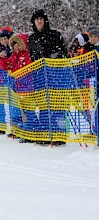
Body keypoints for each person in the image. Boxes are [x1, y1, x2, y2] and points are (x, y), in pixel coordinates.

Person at [28, 9, 68, 145]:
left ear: (45, 20)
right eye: (36, 19)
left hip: (55, 74)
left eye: (41, 18)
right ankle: (45, 133)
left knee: (57, 104)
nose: (39, 21)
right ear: (34, 22)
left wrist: (53, 59)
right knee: (43, 104)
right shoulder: (31, 38)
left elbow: (63, 53)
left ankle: (59, 134)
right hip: (39, 75)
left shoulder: (55, 35)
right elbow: (32, 57)